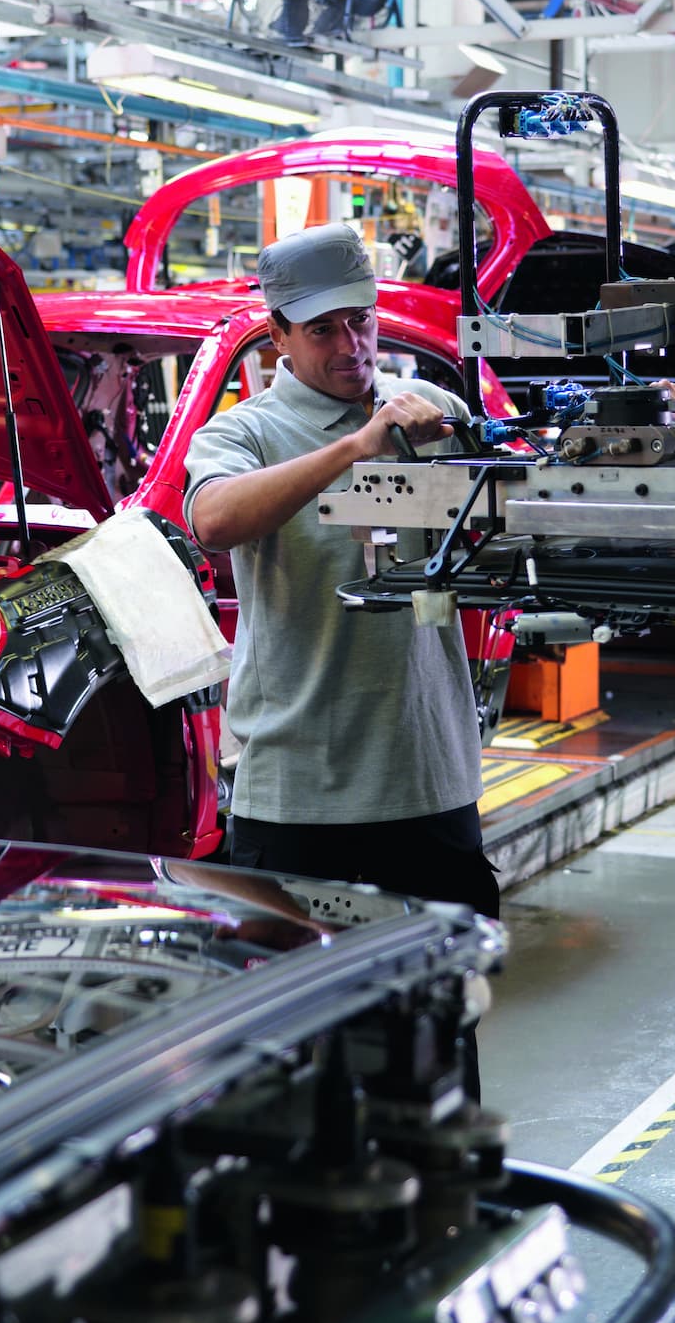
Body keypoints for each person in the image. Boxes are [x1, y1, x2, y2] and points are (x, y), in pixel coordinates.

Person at [182, 222, 500, 924]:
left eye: (360, 322)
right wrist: (357, 446)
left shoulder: (430, 413)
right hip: (298, 792)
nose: (350, 346)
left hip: (428, 778)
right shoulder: (243, 433)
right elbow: (213, 521)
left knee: (436, 1011)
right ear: (278, 337)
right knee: (295, 1016)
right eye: (321, 329)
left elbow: (523, 496)